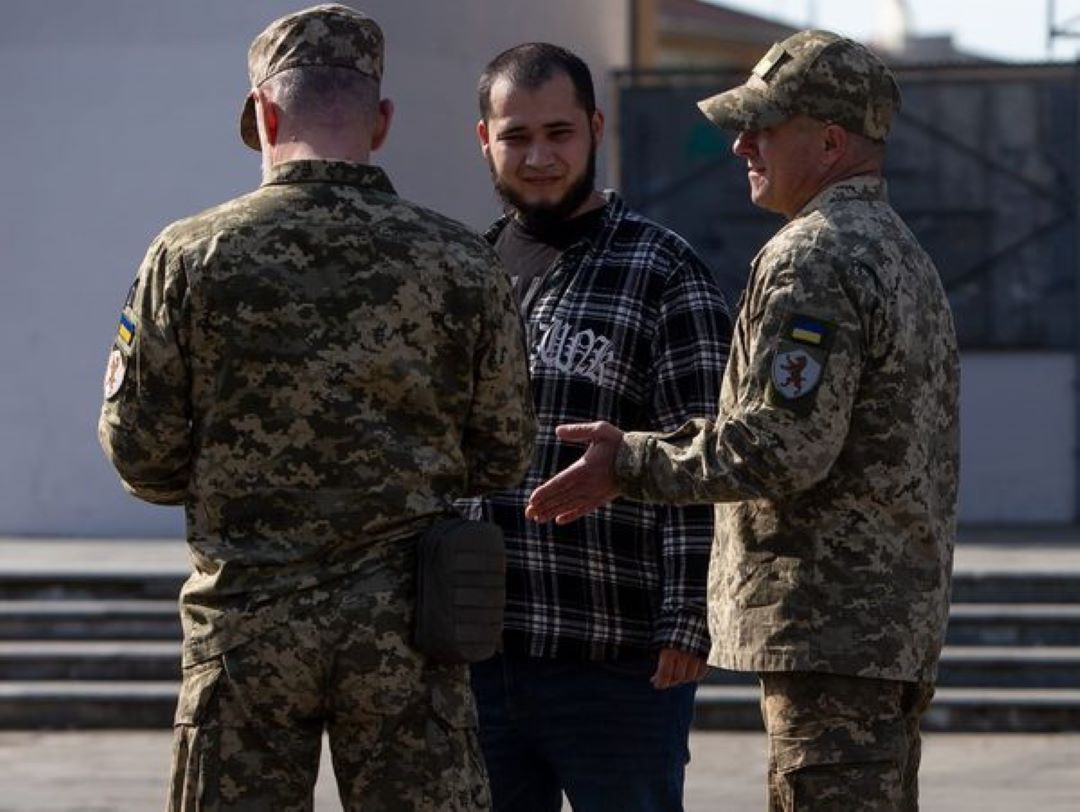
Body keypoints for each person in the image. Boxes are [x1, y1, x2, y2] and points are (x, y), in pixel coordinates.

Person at [98, 5, 535, 810]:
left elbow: (141, 453)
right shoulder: (458, 261)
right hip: (408, 632)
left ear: (264, 113)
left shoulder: (188, 255)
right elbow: (506, 450)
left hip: (246, 635)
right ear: (382, 122)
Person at [526, 30, 960, 812]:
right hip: (876, 633)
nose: (739, 145)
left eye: (763, 126)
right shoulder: (897, 249)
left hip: (830, 632)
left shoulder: (813, 257)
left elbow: (781, 446)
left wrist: (628, 460)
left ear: (829, 140)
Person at [460, 43, 732, 812]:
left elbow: (701, 452)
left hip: (617, 659)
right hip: (479, 653)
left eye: (560, 133)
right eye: (516, 136)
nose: (539, 156)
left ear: (596, 129)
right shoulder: (464, 272)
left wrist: (689, 617)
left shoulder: (663, 271)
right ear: (485, 139)